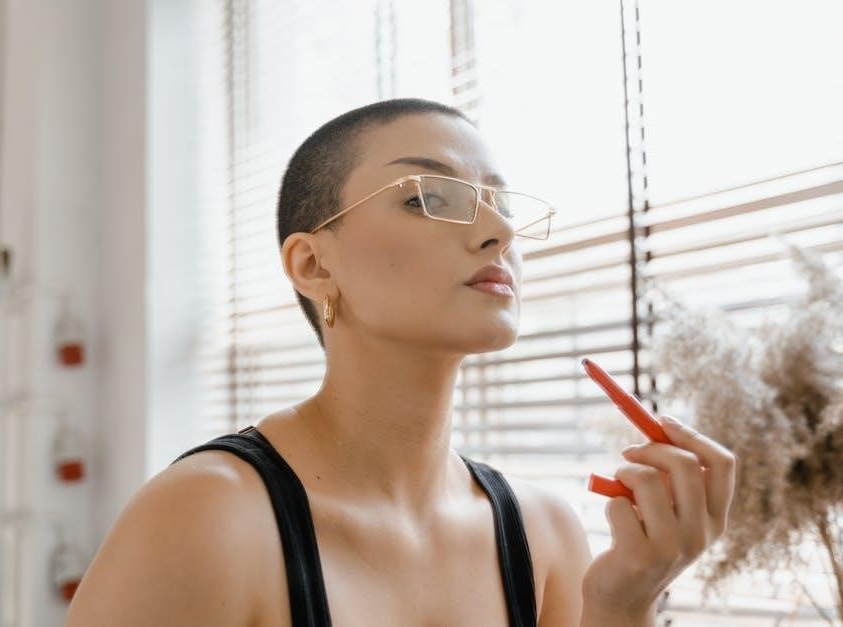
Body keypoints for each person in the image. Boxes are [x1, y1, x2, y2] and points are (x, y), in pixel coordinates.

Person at [64, 98, 736, 626]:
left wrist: (624, 604)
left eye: (501, 205)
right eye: (428, 198)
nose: (500, 231)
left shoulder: (545, 534)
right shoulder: (208, 515)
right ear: (312, 263)